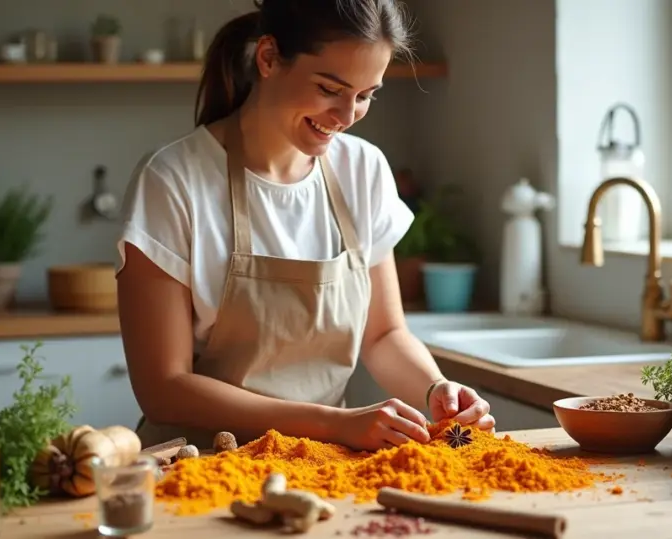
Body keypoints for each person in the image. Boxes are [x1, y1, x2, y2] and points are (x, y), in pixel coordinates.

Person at [114, 0, 495, 452]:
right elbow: (164, 389)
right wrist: (333, 424)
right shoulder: (173, 180)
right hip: (200, 468)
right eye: (330, 88)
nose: (348, 115)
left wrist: (436, 389)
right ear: (269, 58)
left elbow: (383, 334)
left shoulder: (363, 170)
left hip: (321, 465)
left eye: (366, 94)